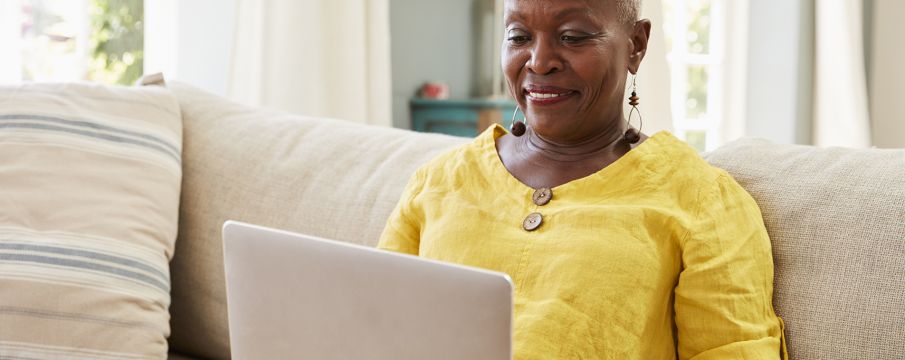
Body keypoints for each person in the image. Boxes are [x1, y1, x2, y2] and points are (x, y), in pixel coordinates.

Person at [378, 0, 787, 358]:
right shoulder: (438, 182)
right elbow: (371, 327)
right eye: (518, 36)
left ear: (636, 45)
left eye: (572, 36)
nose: (539, 61)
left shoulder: (702, 201)